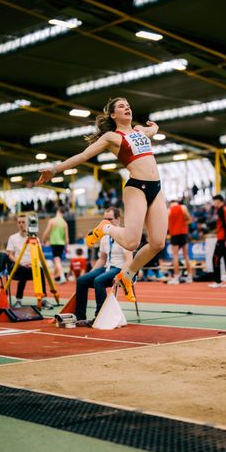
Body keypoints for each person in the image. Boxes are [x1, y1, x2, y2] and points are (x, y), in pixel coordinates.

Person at [36, 97, 167, 303]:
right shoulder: (111, 137)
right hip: (136, 188)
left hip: (156, 188)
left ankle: (127, 275)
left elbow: (152, 132)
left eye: (129, 105)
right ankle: (105, 227)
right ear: (113, 115)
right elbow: (83, 156)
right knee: (132, 243)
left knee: (158, 243)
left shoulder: (140, 130)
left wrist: (155, 127)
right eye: (122, 106)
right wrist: (54, 169)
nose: (127, 108)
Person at [74, 207, 132, 326]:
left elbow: (129, 260)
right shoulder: (104, 236)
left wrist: (121, 275)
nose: (106, 223)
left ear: (118, 219)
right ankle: (79, 316)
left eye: (109, 219)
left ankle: (99, 316)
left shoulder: (124, 235)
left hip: (119, 268)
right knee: (82, 280)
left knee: (98, 281)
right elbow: (102, 259)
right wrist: (90, 273)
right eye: (104, 219)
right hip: (107, 268)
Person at [6, 214, 50, 308]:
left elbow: (39, 255)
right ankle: (18, 300)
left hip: (32, 266)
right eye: (19, 222)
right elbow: (10, 255)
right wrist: (20, 262)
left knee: (40, 270)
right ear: (17, 224)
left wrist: (33, 264)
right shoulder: (12, 238)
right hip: (18, 267)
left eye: (23, 222)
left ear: (28, 223)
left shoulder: (35, 238)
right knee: (24, 270)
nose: (21, 224)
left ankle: (43, 299)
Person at [208, 194, 226, 289]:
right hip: (224, 238)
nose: (214, 203)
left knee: (215, 259)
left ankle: (217, 281)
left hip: (223, 239)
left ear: (218, 201)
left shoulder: (222, 210)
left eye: (214, 201)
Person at [167, 200, 192, 285]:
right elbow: (189, 219)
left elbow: (166, 223)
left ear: (171, 204)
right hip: (183, 233)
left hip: (174, 234)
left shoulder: (169, 210)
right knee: (186, 256)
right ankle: (189, 276)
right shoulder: (183, 207)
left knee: (175, 256)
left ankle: (176, 277)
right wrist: (183, 222)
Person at [42, 206, 69, 284]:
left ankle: (62, 276)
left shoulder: (52, 221)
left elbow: (46, 232)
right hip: (62, 244)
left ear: (57, 211)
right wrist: (66, 247)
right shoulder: (65, 223)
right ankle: (56, 277)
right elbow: (67, 237)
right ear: (63, 213)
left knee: (56, 260)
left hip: (55, 243)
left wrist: (43, 239)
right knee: (57, 260)